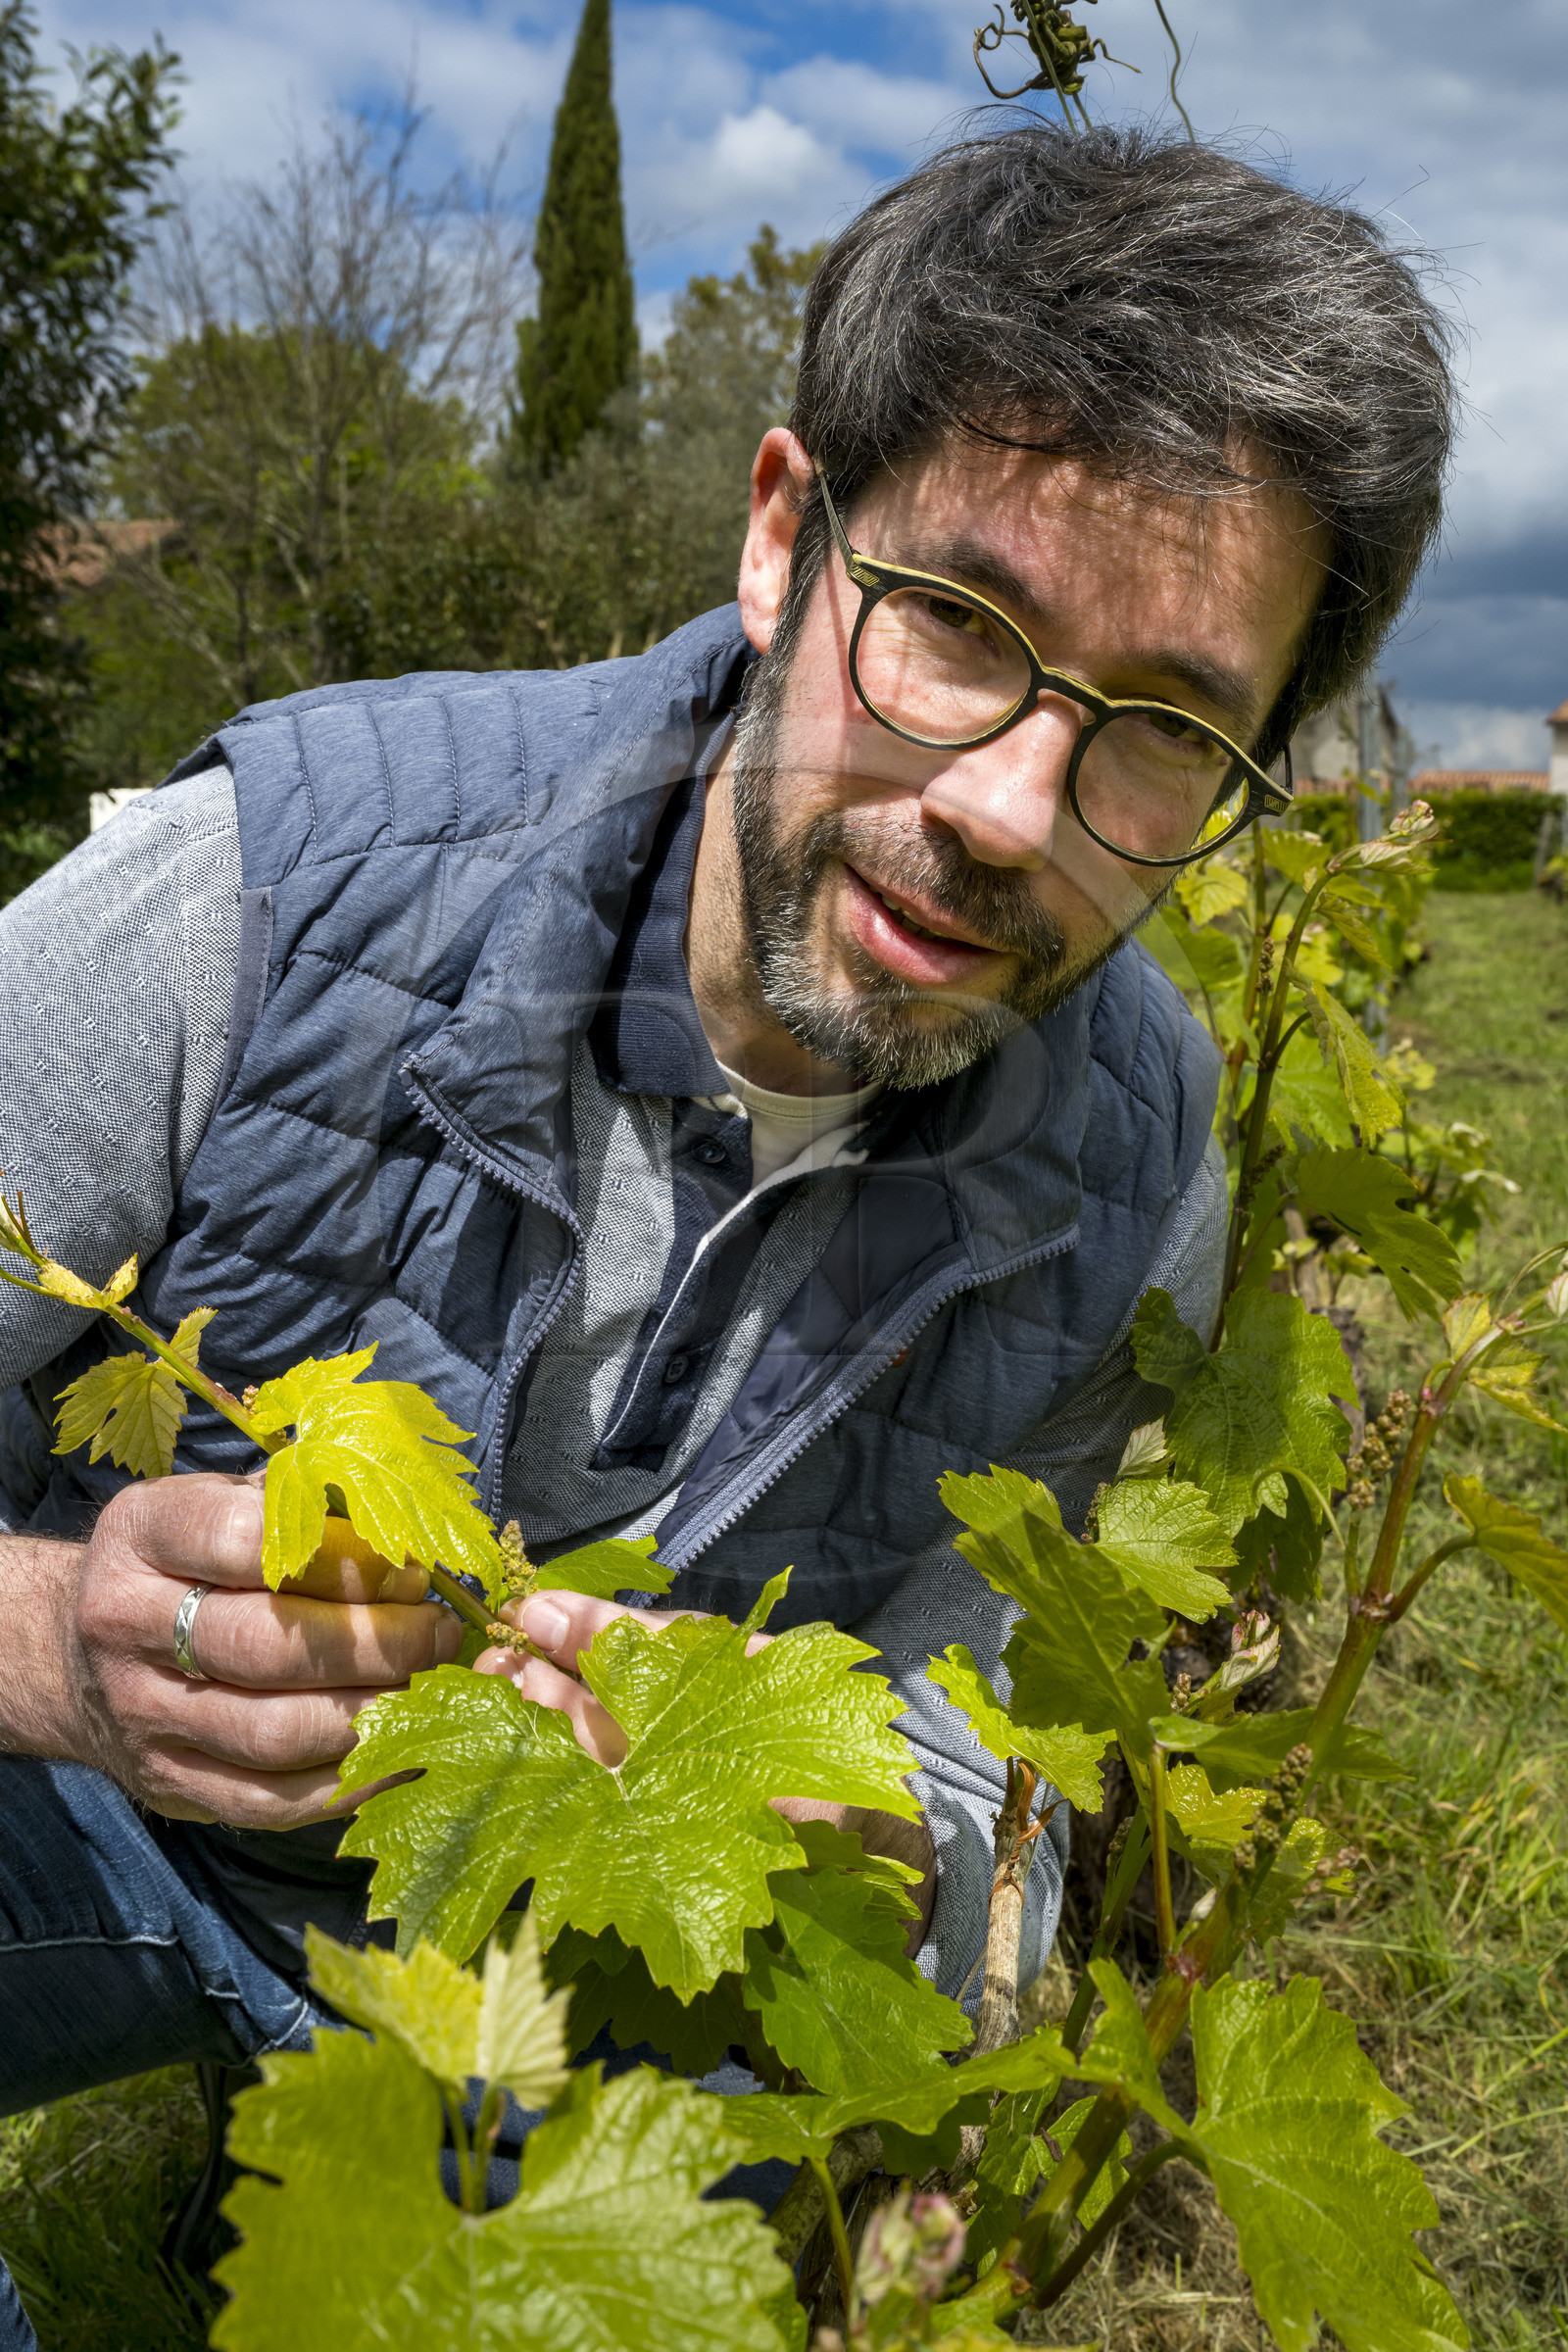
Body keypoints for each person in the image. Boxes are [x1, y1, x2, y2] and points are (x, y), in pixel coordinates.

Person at [0, 115, 1453, 2317]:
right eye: (959, 623)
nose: (1003, 809)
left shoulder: (1136, 1160)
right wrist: (53, 1651)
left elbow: (968, 1715)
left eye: (1163, 732)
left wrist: (882, 1816)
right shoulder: (249, 902)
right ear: (785, 538)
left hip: (583, 1950)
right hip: (91, 1815)